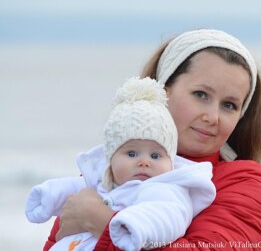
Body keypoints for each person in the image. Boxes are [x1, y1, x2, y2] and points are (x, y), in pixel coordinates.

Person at [44, 28, 261, 250]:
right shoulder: (109, 169)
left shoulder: (246, 185)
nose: (213, 117)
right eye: (201, 95)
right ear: (163, 92)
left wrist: (103, 222)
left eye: (229, 105)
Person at [26, 77, 216, 250]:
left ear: (170, 161)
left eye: (156, 156)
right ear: (111, 159)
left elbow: (167, 216)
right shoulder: (103, 181)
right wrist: (46, 197)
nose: (144, 162)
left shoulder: (167, 190)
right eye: (131, 153)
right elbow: (75, 190)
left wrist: (132, 225)